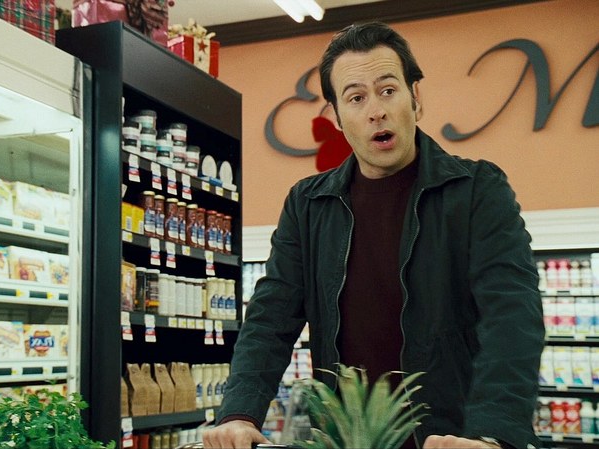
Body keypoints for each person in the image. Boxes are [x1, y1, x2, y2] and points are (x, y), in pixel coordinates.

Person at [204, 21, 544, 449]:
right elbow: (270, 319)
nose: (376, 110)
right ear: (337, 117)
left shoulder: (477, 191)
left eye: (388, 90)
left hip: (454, 438)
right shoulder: (308, 205)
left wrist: (493, 433)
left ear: (415, 98)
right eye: (356, 97)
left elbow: (512, 315)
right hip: (345, 439)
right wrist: (238, 413)